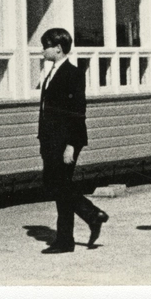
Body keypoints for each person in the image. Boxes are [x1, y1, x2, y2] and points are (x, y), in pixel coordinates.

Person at [35, 27, 108, 253]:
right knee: (56, 185)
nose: (42, 51)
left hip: (65, 140)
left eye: (45, 46)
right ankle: (91, 215)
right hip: (50, 139)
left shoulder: (73, 73)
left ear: (57, 48)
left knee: (60, 186)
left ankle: (67, 239)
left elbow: (78, 111)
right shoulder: (52, 72)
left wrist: (71, 146)